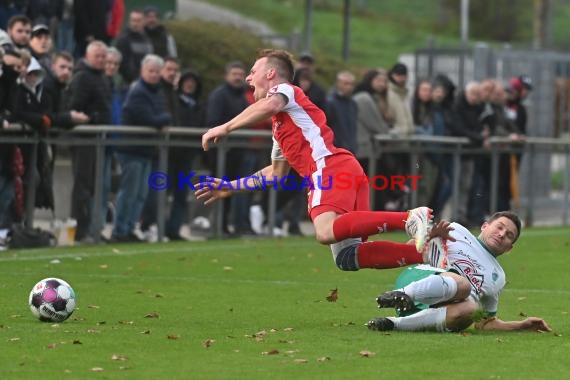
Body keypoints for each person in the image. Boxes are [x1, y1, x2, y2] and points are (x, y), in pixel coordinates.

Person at [198, 49, 447, 272]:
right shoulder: (282, 126)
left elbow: (270, 105)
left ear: (271, 73)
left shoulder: (284, 90)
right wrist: (230, 187)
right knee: (347, 257)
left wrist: (225, 127)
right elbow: (275, 174)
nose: (249, 78)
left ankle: (410, 218)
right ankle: (424, 254)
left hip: (329, 166)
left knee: (325, 230)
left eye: (253, 72)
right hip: (344, 170)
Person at [367, 211, 551, 333]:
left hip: (434, 312)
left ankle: (393, 324)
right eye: (499, 227)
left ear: (509, 248)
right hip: (418, 280)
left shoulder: (498, 276)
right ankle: (400, 295)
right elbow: (409, 251)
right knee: (463, 285)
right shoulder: (457, 229)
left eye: (509, 235)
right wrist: (428, 237)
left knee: (472, 309)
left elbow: (484, 323)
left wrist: (522, 325)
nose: (502, 234)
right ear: (485, 226)